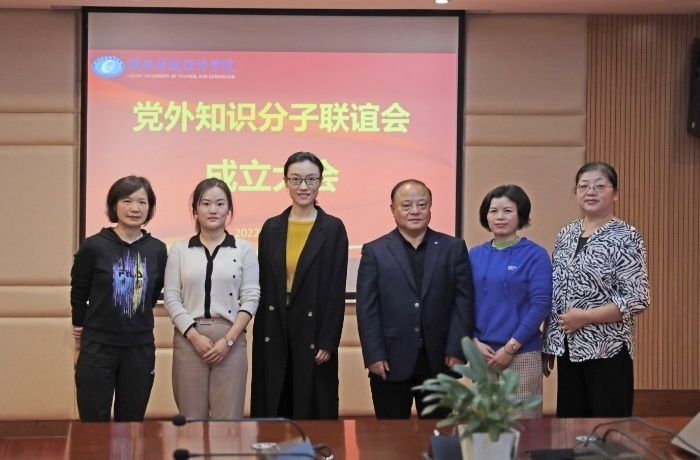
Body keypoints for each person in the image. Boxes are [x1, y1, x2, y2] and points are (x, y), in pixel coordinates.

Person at [356, 179, 474, 419]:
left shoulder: (453, 248)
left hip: (440, 360)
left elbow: (464, 302)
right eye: (406, 205)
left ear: (430, 207)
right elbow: (367, 308)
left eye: (422, 204)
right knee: (390, 436)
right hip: (390, 359)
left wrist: (457, 349)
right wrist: (374, 354)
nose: (415, 211)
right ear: (393, 209)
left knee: (438, 432)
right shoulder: (374, 251)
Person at [542, 162, 650, 418]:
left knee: (607, 429)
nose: (590, 192)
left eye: (599, 186)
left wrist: (585, 317)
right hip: (569, 350)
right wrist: (550, 343)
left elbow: (637, 298)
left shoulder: (626, 236)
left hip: (608, 349)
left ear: (615, 193)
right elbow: (557, 293)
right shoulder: (566, 234)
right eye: (583, 186)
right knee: (570, 428)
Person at [251, 151, 348, 420]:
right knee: (274, 400)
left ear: (321, 182)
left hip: (313, 329)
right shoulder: (271, 228)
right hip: (275, 325)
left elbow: (336, 289)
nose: (303, 186)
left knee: (312, 405)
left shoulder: (333, 228)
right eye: (295, 179)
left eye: (310, 179)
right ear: (285, 182)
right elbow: (264, 284)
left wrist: (328, 341)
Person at [71, 175, 167, 422]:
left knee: (131, 424)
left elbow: (153, 293)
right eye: (127, 201)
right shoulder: (93, 246)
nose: (135, 208)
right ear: (114, 205)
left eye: (142, 202)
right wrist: (78, 340)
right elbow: (79, 293)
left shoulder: (157, 249)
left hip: (139, 349)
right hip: (98, 348)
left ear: (150, 208)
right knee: (94, 424)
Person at [164, 178, 260, 419]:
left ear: (229, 209)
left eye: (220, 203)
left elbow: (251, 297)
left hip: (230, 338)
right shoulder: (179, 249)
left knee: (228, 421)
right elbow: (172, 298)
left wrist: (228, 340)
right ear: (195, 209)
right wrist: (194, 336)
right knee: (191, 420)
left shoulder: (243, 249)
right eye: (206, 203)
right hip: (189, 338)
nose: (213, 210)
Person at [469, 184, 552, 419]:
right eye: (493, 211)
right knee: (484, 427)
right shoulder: (474, 255)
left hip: (522, 354)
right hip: (483, 355)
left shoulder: (535, 255)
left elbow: (540, 305)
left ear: (520, 215)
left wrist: (510, 348)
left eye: (508, 210)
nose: (500, 217)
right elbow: (463, 303)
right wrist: (473, 342)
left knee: (523, 428)